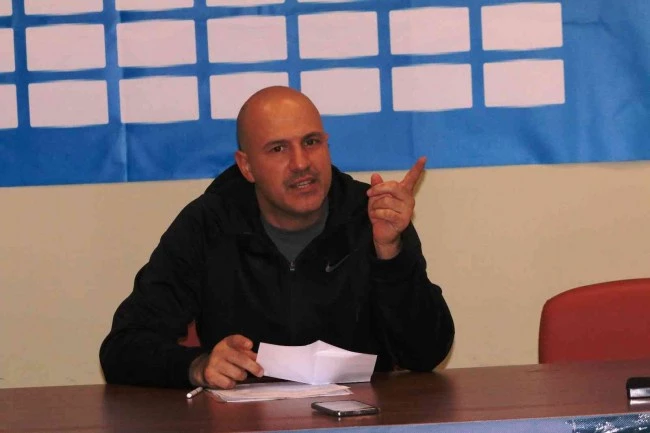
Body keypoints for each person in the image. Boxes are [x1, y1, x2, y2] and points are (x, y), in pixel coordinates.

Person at [100, 86, 454, 389]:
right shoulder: (208, 224)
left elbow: (427, 353)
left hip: (360, 419)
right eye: (278, 149)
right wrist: (197, 366)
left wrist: (391, 253)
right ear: (246, 166)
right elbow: (122, 349)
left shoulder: (372, 216)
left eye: (311, 142)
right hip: (245, 423)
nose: (301, 163)